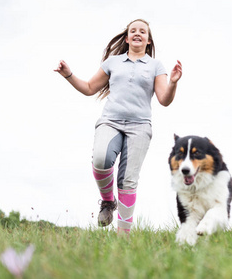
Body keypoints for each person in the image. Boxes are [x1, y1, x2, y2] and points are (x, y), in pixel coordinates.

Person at [54, 19, 183, 234]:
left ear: (148, 40)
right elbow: (88, 88)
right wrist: (68, 74)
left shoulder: (155, 66)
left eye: (143, 31)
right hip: (110, 121)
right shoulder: (113, 63)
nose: (138, 34)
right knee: (100, 159)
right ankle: (107, 201)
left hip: (140, 126)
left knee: (128, 180)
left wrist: (173, 83)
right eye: (133, 31)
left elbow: (164, 99)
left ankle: (124, 237)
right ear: (127, 38)